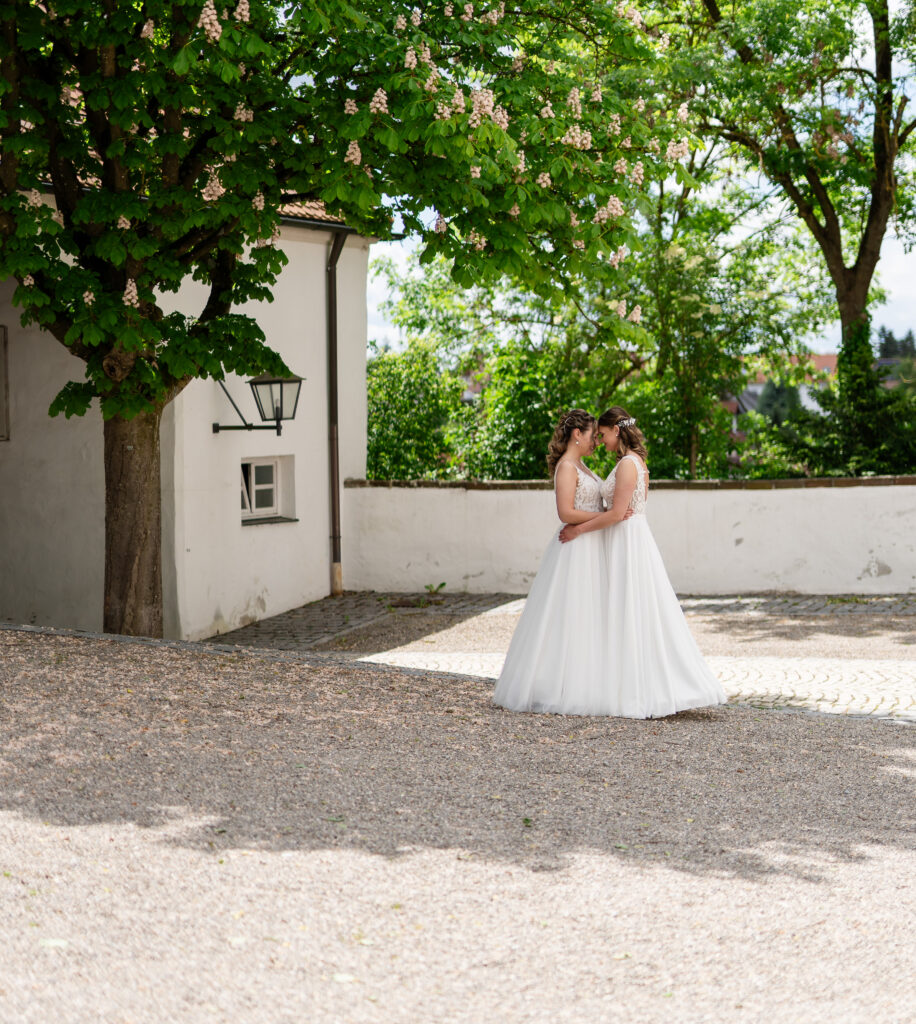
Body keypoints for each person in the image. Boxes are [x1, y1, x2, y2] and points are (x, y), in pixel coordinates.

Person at [558, 406, 726, 718]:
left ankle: (639, 689)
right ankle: (626, 683)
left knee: (630, 611)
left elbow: (618, 513)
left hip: (627, 540)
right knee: (631, 612)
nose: (601, 441)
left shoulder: (627, 465)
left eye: (604, 434)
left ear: (616, 431)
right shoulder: (634, 461)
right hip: (629, 537)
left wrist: (578, 529)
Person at [492, 409, 609, 714]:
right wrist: (606, 517)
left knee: (589, 614)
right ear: (577, 434)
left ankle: (590, 681)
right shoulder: (567, 467)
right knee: (569, 614)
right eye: (592, 433)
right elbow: (566, 512)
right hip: (575, 548)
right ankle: (561, 685)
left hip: (590, 544)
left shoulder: (581, 465)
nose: (596, 439)